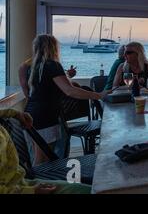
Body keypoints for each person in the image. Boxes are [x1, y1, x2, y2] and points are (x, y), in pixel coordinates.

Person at [24, 35, 108, 165]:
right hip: (45, 117)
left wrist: (67, 75)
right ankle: (41, 184)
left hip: (31, 114)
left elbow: (47, 86)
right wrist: (99, 95)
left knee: (39, 157)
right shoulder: (52, 65)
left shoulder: (33, 68)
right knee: (44, 160)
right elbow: (70, 91)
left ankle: (39, 183)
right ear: (53, 48)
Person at [0, 108, 91, 194]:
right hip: (18, 189)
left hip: (21, 183)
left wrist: (16, 113)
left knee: (91, 190)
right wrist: (31, 191)